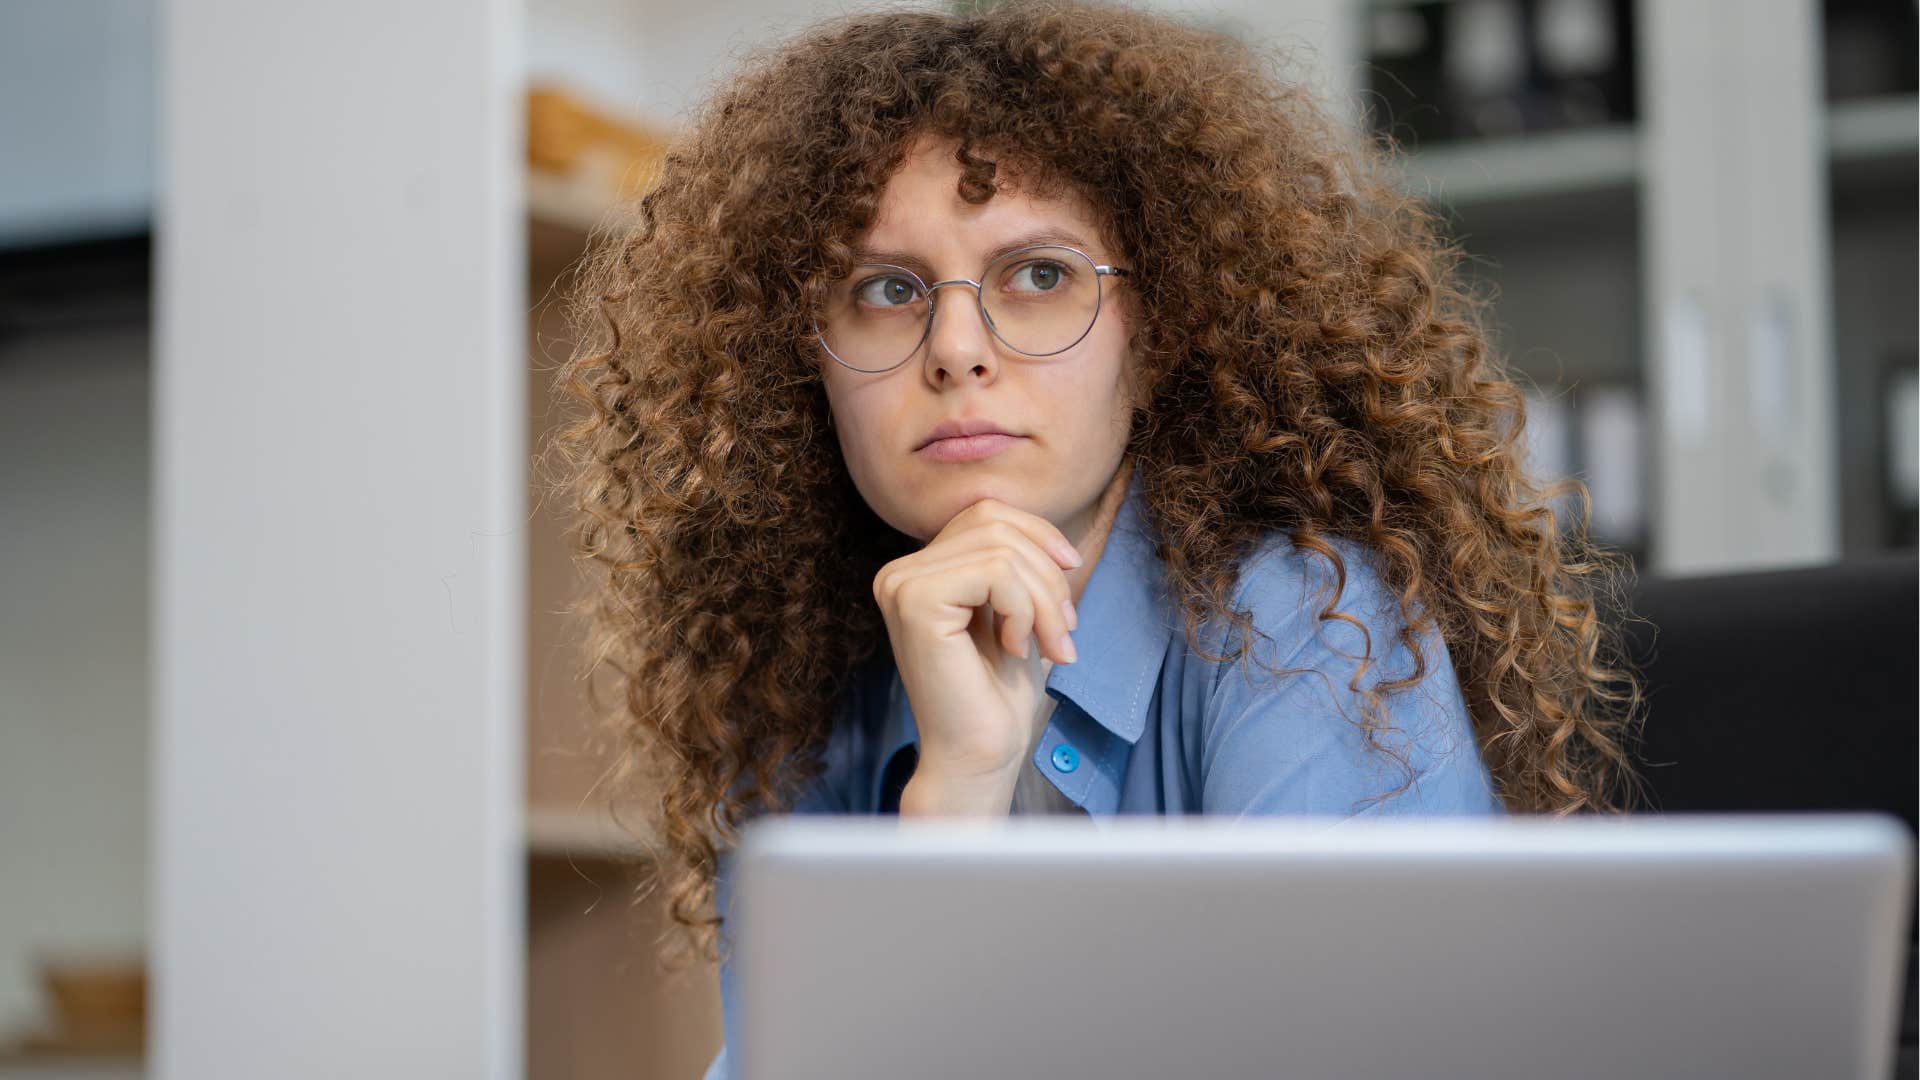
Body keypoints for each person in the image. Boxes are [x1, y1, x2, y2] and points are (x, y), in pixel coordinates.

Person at [541, 3, 1647, 1077]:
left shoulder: (1304, 619)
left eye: (1040, 275)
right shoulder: (790, 685)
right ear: (805, 363)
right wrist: (956, 796)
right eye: (886, 290)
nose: (958, 349)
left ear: (1160, 329)